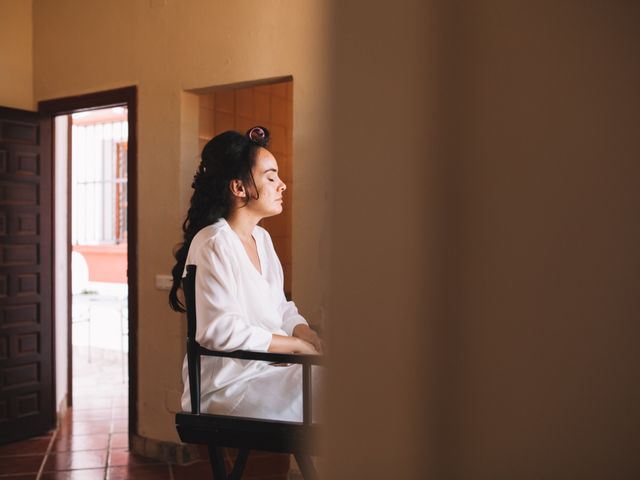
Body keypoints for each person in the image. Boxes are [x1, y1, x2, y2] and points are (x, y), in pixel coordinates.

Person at [169, 126, 322, 422]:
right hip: (226, 386)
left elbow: (279, 307)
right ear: (239, 188)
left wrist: (306, 333)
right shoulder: (214, 243)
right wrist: (295, 345)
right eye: (270, 176)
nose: (282, 185)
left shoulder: (261, 239)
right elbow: (219, 330)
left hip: (264, 370)